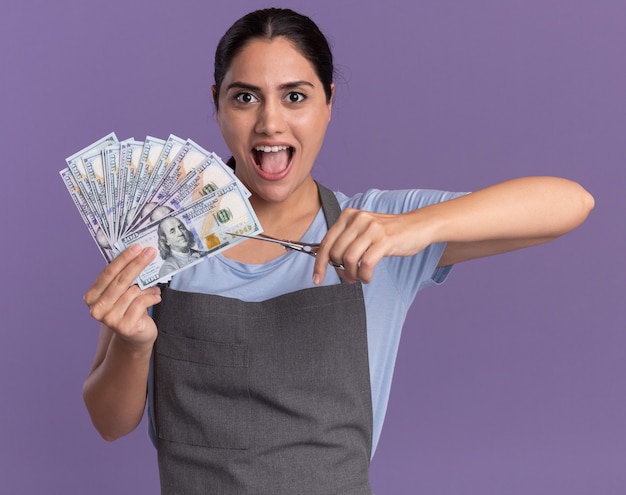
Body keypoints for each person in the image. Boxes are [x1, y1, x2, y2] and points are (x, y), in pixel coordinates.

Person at [82, 8, 594, 495]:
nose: (270, 124)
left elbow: (571, 203)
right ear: (217, 103)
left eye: (295, 97)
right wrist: (132, 345)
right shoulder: (158, 238)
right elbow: (109, 423)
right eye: (245, 98)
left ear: (328, 103)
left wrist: (413, 228)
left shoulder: (375, 229)